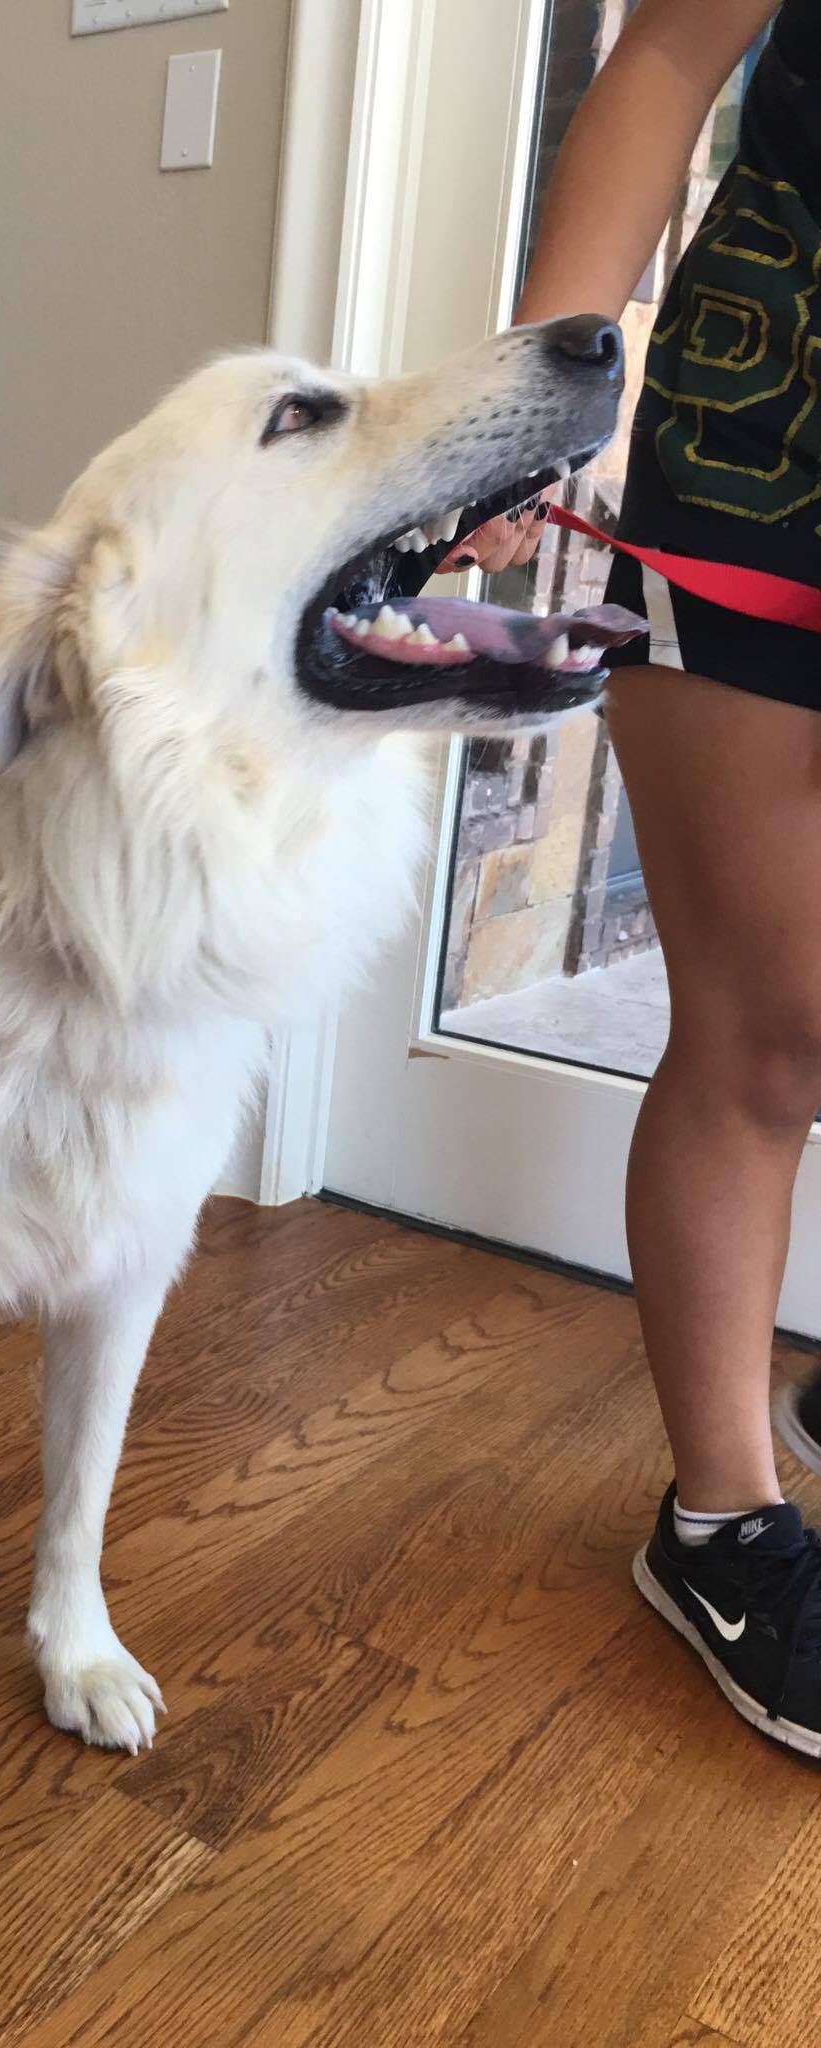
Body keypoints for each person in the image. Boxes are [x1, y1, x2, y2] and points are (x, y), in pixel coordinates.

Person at [448, 0, 821, 1756]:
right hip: (781, 448)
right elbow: (670, 50)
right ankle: (723, 1525)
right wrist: (535, 401)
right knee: (768, 1031)